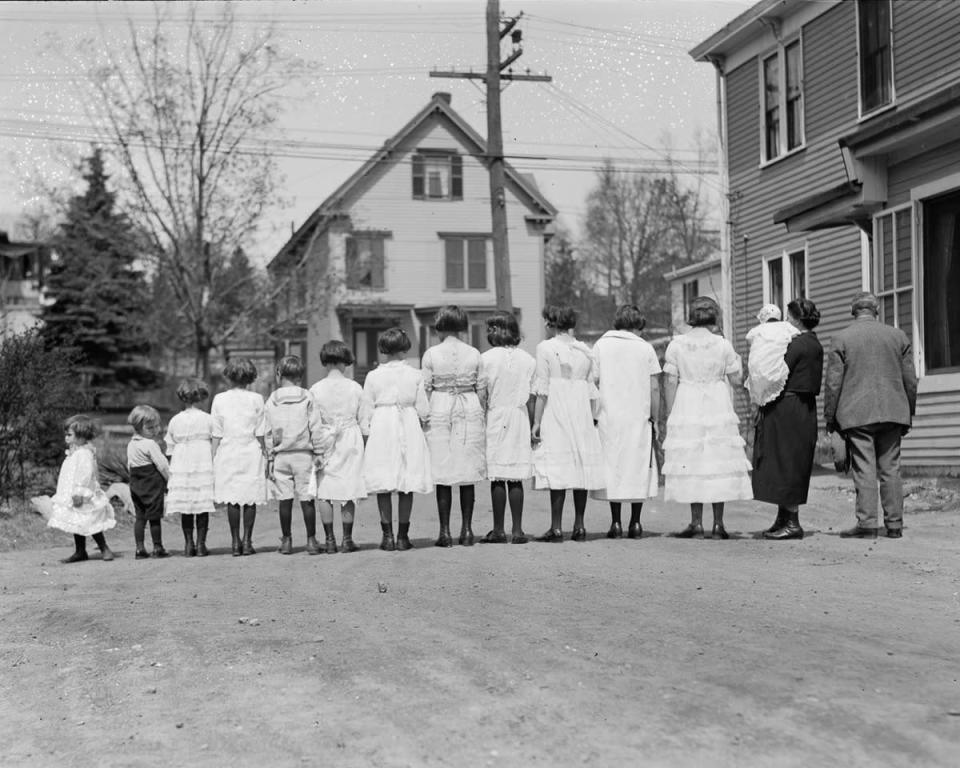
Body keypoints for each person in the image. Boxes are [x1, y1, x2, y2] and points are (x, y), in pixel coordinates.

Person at [824, 291, 918, 538]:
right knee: (891, 468)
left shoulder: (841, 338)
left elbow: (833, 383)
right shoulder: (898, 336)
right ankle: (895, 525)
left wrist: (830, 418)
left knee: (864, 468)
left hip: (856, 413)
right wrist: (909, 411)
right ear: (876, 310)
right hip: (893, 411)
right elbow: (910, 380)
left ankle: (867, 525)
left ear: (853, 311)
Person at [662, 296, 752, 538]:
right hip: (716, 401)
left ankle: (696, 522)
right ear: (713, 317)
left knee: (693, 461)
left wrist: (671, 413)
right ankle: (718, 523)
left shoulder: (677, 345)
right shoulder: (722, 345)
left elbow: (670, 381)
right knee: (717, 461)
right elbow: (735, 380)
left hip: (687, 401)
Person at [531, 305, 605, 542]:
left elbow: (542, 389)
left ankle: (556, 527)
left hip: (556, 409)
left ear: (553, 323)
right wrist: (592, 417)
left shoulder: (545, 348)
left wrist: (536, 421)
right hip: (581, 410)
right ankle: (580, 525)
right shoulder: (585, 351)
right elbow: (593, 389)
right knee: (579, 466)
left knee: (558, 466)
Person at [752, 299, 824, 540]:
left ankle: (792, 522)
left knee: (787, 461)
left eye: (790, 317)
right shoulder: (813, 342)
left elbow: (778, 370)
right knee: (788, 459)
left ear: (795, 319)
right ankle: (783, 518)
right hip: (802, 407)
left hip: (790, 406)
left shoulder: (797, 344)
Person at [591, 304, 662, 539]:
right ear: (637, 326)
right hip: (638, 415)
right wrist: (656, 416)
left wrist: (593, 413)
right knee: (638, 466)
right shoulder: (645, 349)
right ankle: (636, 522)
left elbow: (593, 381)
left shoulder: (601, 345)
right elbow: (654, 386)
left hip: (609, 414)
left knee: (614, 465)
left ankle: (615, 522)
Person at [361, 327, 432, 551]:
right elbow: (423, 408)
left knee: (384, 481)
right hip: (407, 421)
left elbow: (366, 410)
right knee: (406, 483)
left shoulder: (373, 376)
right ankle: (402, 536)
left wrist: (366, 434)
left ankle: (387, 536)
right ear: (404, 348)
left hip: (382, 424)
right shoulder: (415, 374)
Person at [421, 305, 486, 547]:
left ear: (440, 327)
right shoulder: (474, 353)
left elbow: (426, 387)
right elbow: (481, 387)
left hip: (440, 405)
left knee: (443, 470)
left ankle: (445, 532)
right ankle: (467, 530)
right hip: (468, 405)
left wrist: (424, 415)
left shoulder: (431, 353)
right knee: (467, 469)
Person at [264, 355, 333, 555]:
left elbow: (267, 431)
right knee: (307, 498)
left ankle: (286, 541)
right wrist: (319, 451)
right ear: (300, 375)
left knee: (284, 500)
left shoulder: (272, 399)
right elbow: (315, 426)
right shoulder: (307, 396)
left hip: (280, 456)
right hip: (304, 454)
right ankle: (311, 541)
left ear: (279, 374)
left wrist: (269, 456)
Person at [478, 311, 536, 544]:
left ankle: (499, 529)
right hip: (519, 416)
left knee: (498, 474)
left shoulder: (486, 359)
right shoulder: (528, 360)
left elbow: (482, 394)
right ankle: (518, 530)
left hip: (496, 414)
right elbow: (532, 395)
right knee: (515, 476)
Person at [309, 340, 371, 554]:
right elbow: (364, 419)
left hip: (325, 438)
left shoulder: (315, 389)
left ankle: (329, 540)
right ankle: (346, 539)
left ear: (325, 362)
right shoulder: (355, 387)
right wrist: (365, 441)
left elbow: (314, 421)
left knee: (324, 490)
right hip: (350, 437)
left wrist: (315, 447)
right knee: (348, 488)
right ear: (345, 361)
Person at [33, 415, 115, 563]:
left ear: (81, 436)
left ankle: (104, 548)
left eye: (69, 435)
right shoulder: (74, 451)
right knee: (77, 521)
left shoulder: (83, 454)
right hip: (71, 493)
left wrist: (79, 492)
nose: (66, 437)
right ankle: (80, 551)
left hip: (82, 493)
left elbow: (84, 475)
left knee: (89, 520)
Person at [212, 358, 268, 556]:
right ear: (250, 377)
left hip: (228, 449)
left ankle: (235, 541)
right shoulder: (257, 399)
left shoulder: (219, 399)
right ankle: (247, 540)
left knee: (232, 498)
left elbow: (216, 432)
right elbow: (261, 431)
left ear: (229, 376)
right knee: (250, 497)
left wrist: (213, 457)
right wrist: (266, 453)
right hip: (250, 449)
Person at [164, 378, 216, 557]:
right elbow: (215, 440)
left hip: (182, 461)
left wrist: (174, 466)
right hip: (202, 459)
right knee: (202, 503)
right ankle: (201, 544)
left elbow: (170, 447)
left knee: (186, 505)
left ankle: (189, 544)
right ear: (201, 397)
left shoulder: (175, 420)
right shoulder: (208, 419)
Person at [127, 404, 171, 559]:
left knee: (140, 517)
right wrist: (170, 481)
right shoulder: (150, 444)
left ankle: (139, 548)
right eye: (150, 428)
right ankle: (157, 547)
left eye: (156, 426)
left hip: (136, 483)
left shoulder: (131, 444)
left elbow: (130, 465)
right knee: (154, 517)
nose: (155, 430)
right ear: (138, 428)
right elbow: (162, 465)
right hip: (151, 484)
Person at [745, 303, 800, 406]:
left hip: (757, 373)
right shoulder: (786, 326)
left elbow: (748, 337)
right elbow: (797, 333)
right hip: (775, 372)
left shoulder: (756, 330)